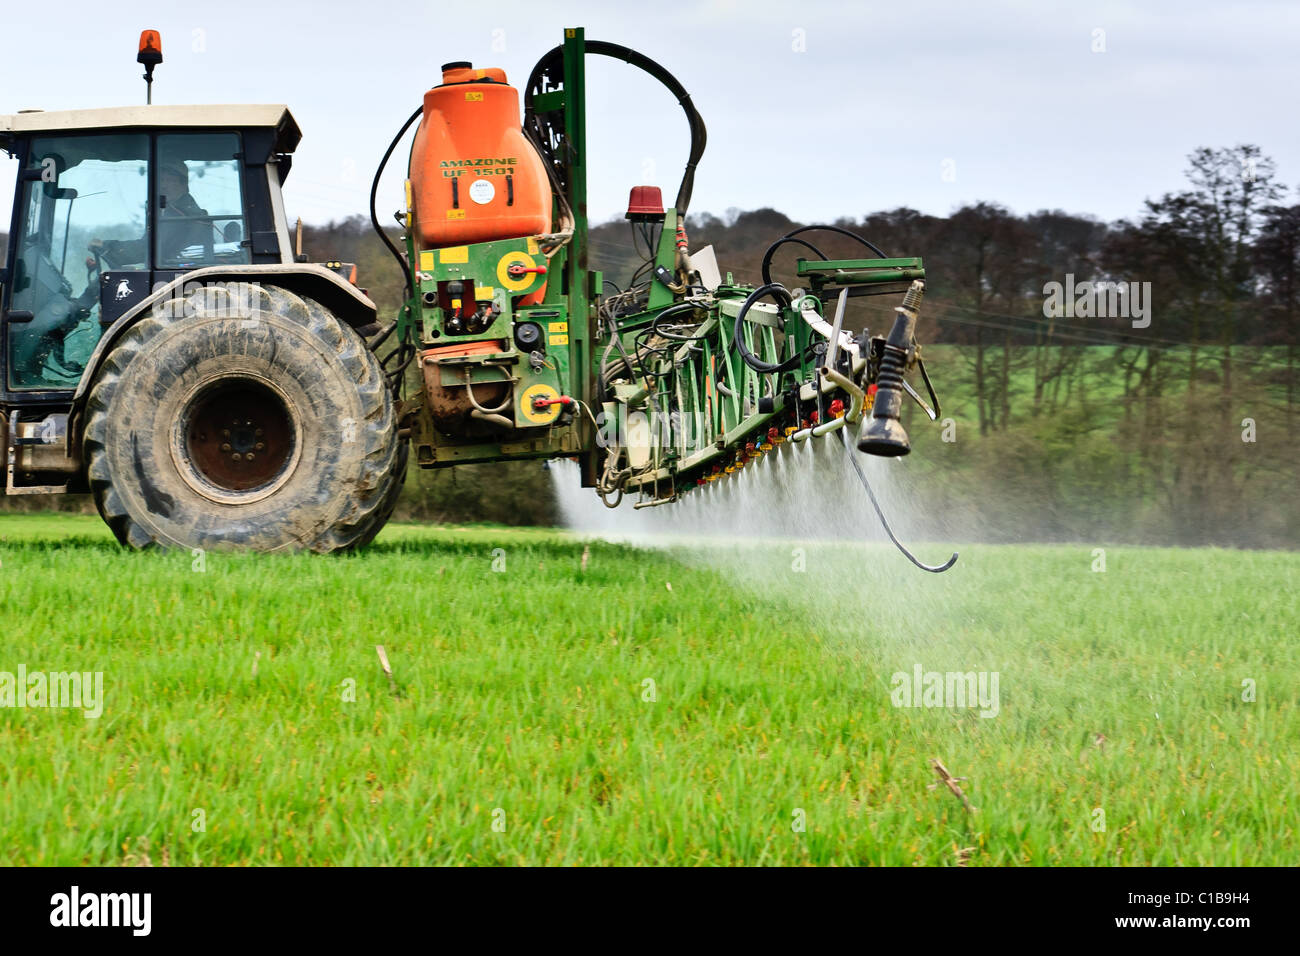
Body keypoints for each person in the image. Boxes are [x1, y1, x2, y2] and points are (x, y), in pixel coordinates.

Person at [89, 159, 213, 267]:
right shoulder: (172, 211)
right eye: (160, 180)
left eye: (170, 180)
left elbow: (148, 249)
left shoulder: (181, 216)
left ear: (184, 185)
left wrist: (106, 247)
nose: (163, 185)